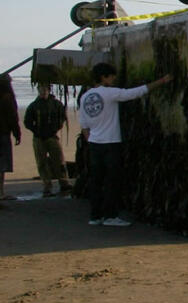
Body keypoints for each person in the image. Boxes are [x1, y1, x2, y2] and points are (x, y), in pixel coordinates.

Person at [77, 63, 171, 226]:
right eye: (111, 76)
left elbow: (84, 125)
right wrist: (162, 81)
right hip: (111, 143)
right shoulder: (109, 93)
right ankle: (110, 216)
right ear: (103, 77)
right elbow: (135, 93)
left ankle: (95, 216)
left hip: (94, 144)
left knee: (96, 181)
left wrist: (92, 140)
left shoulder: (86, 97)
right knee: (112, 180)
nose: (114, 79)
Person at [24, 82, 72, 197]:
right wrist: (37, 131)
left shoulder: (56, 104)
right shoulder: (34, 106)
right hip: (39, 138)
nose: (43, 91)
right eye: (41, 89)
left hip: (52, 136)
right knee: (42, 162)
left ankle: (64, 182)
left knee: (59, 160)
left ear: (49, 90)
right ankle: (47, 185)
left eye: (45, 89)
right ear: (38, 90)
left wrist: (55, 128)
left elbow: (62, 118)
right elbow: (27, 122)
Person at [0, 74, 20, 200]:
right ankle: (1, 193)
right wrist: (17, 133)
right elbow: (13, 117)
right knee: (1, 165)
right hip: (2, 134)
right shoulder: (7, 98)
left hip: (3, 133)